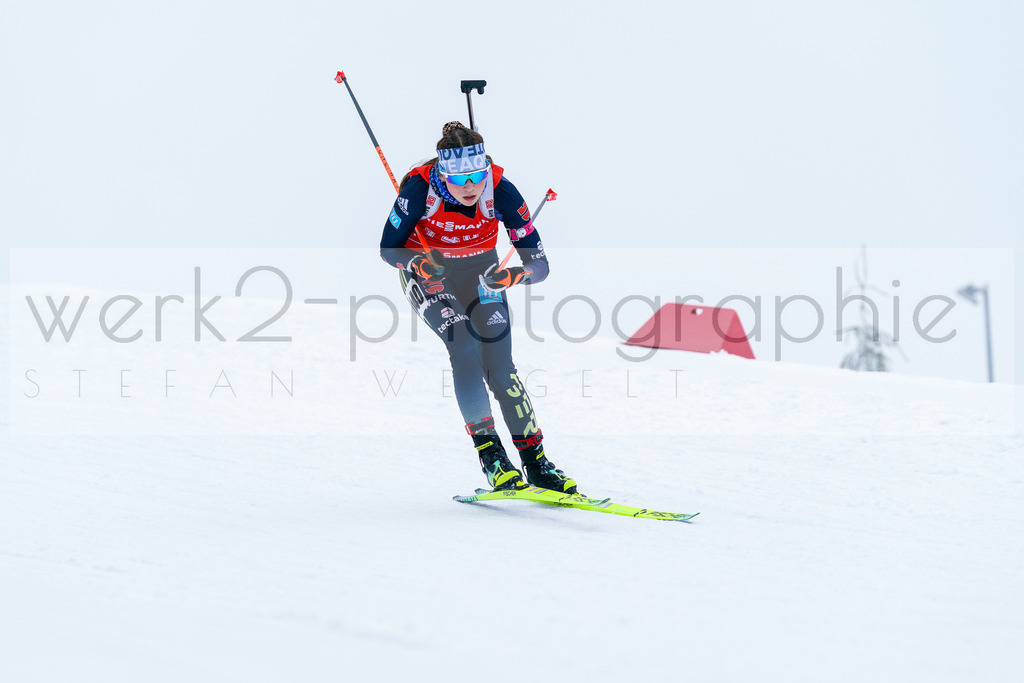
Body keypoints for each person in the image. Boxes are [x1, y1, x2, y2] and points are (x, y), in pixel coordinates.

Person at [379, 121, 577, 494]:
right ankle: (493, 459)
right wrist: (418, 263)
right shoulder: (419, 189)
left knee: (500, 367)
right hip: (430, 274)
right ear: (442, 174)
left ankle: (537, 464)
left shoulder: (500, 190)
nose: (470, 187)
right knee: (464, 345)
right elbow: (389, 248)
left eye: (477, 175)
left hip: (483, 273)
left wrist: (515, 276)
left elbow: (539, 264)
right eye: (459, 179)